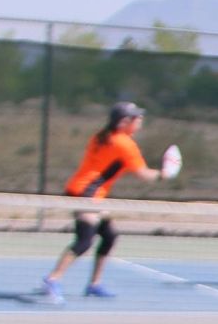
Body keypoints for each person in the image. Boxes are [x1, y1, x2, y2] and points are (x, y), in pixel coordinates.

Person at [38, 102, 171, 305]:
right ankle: (52, 280)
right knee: (84, 241)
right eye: (136, 117)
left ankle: (94, 284)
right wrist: (164, 174)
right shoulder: (124, 144)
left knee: (109, 236)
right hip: (87, 194)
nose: (140, 120)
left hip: (85, 191)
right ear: (124, 121)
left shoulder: (101, 135)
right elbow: (143, 174)